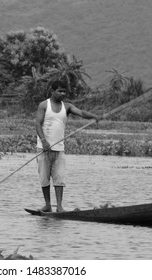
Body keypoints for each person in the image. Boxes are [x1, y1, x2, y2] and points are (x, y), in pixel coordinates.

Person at [35, 80, 101, 212]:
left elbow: (81, 113)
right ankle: (48, 205)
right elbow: (37, 124)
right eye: (59, 91)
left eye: (64, 91)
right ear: (52, 91)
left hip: (59, 149)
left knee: (59, 178)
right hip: (44, 149)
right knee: (44, 178)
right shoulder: (44, 105)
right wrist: (44, 141)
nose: (62, 94)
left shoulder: (67, 107)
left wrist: (94, 116)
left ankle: (59, 207)